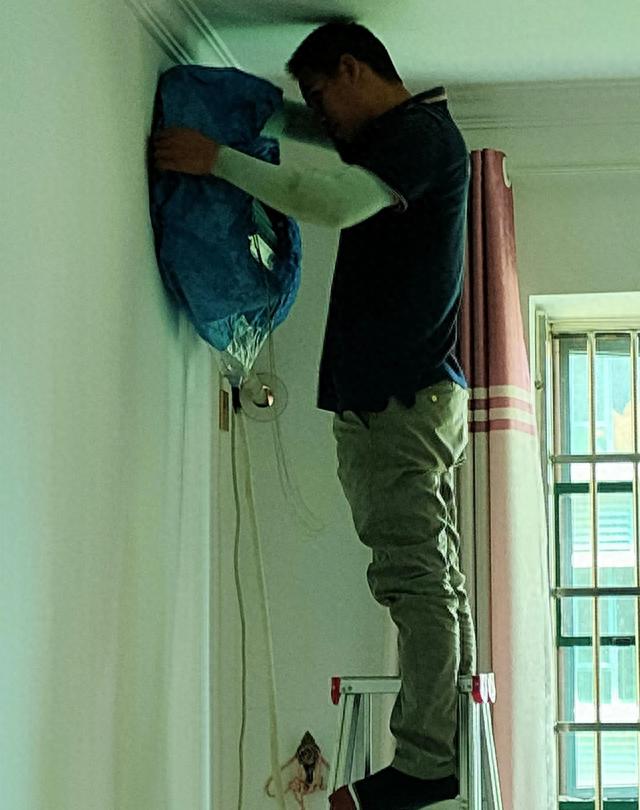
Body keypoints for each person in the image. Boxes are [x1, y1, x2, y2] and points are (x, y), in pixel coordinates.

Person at [153, 21, 476, 810]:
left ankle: (426, 764)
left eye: (321, 94)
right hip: (409, 399)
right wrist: (257, 109)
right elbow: (318, 135)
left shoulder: (421, 139)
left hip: (400, 403)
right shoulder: (403, 138)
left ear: (353, 68)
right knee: (429, 578)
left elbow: (327, 202)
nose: (320, 115)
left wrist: (216, 158)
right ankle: (440, 750)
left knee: (416, 581)